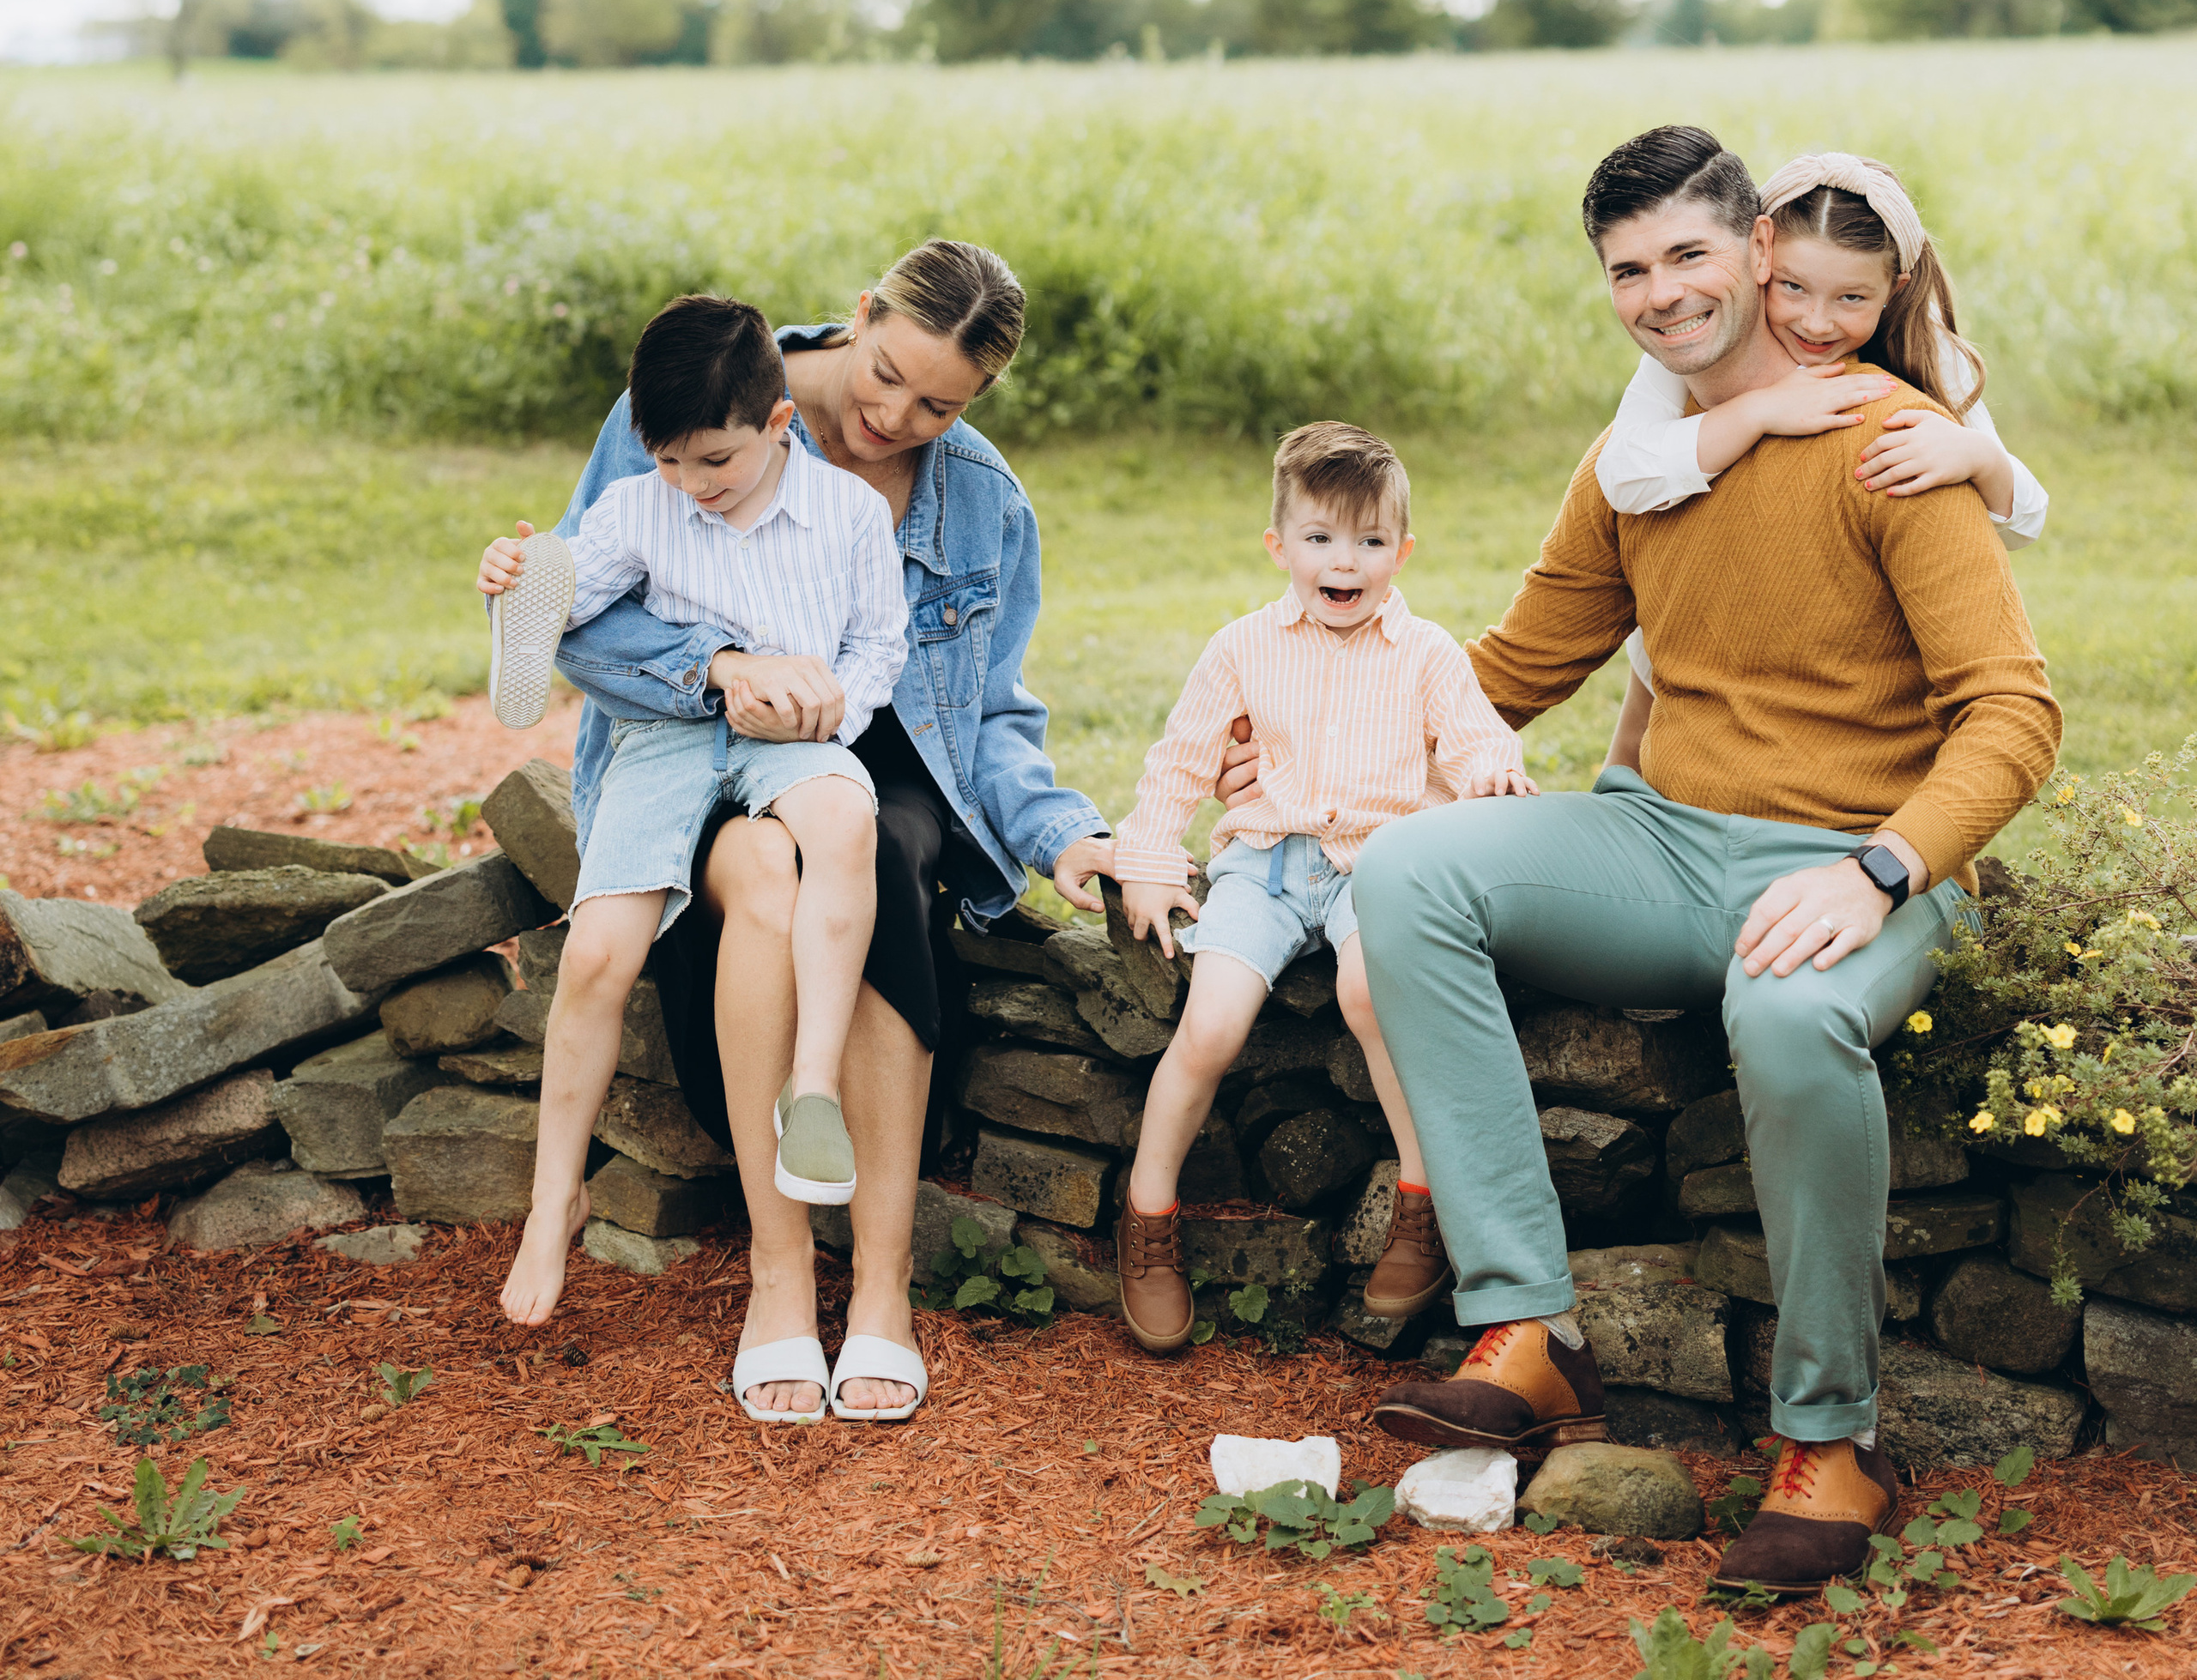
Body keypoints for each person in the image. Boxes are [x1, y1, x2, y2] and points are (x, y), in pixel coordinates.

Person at [1326, 125, 2058, 1598]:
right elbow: (1513, 669)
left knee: (1786, 1018)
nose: (1661, 293)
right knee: (1408, 874)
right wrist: (1311, 753)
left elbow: (2014, 711)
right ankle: (1529, 1331)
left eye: (1688, 255)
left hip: (1860, 859)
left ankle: (1831, 1443)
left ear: (1760, 249)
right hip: (1663, 841)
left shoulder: (1891, 446)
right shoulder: (1636, 465)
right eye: (1628, 271)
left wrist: (1880, 871)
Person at [542, 239, 1116, 1424]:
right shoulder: (699, 407)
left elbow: (992, 713)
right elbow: (570, 618)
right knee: (767, 868)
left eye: (940, 406)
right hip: (694, 741)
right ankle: (781, 1272)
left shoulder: (984, 500)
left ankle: (885, 1287)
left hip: (882, 756)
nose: (896, 418)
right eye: (887, 374)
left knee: (883, 857)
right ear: (861, 314)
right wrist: (720, 668)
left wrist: (1064, 835)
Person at [475, 294, 905, 1332]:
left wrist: (835, 704)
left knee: (845, 825)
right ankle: (554, 1199)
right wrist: (516, 584)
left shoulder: (848, 514)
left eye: (713, 460)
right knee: (597, 955)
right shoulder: (640, 508)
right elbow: (570, 611)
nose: (692, 484)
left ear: (777, 423)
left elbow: (879, 644)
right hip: (667, 737)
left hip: (795, 736)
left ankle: (812, 1088)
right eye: (668, 460)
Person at [1109, 421, 1533, 1353]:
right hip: (1264, 863)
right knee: (1211, 1025)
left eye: (1370, 541)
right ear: (1279, 546)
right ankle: (1147, 1215)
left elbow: (1476, 741)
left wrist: (1494, 776)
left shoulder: (1427, 653)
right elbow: (1179, 763)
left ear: (1402, 552)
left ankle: (1420, 1205)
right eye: (1320, 538)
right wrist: (1147, 857)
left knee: (1373, 992)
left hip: (1378, 863)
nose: (1345, 561)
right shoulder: (1240, 648)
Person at [1598, 146, 2049, 776]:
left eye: (1851, 298)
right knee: (1642, 724)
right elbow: (1623, 475)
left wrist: (1978, 456)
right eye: (1793, 287)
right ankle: (1622, 792)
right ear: (1759, 259)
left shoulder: (1925, 355)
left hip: (1844, 641)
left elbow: (2027, 521)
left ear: (1892, 292)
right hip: (1694, 623)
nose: (1816, 322)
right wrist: (1759, 411)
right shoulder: (1692, 349)